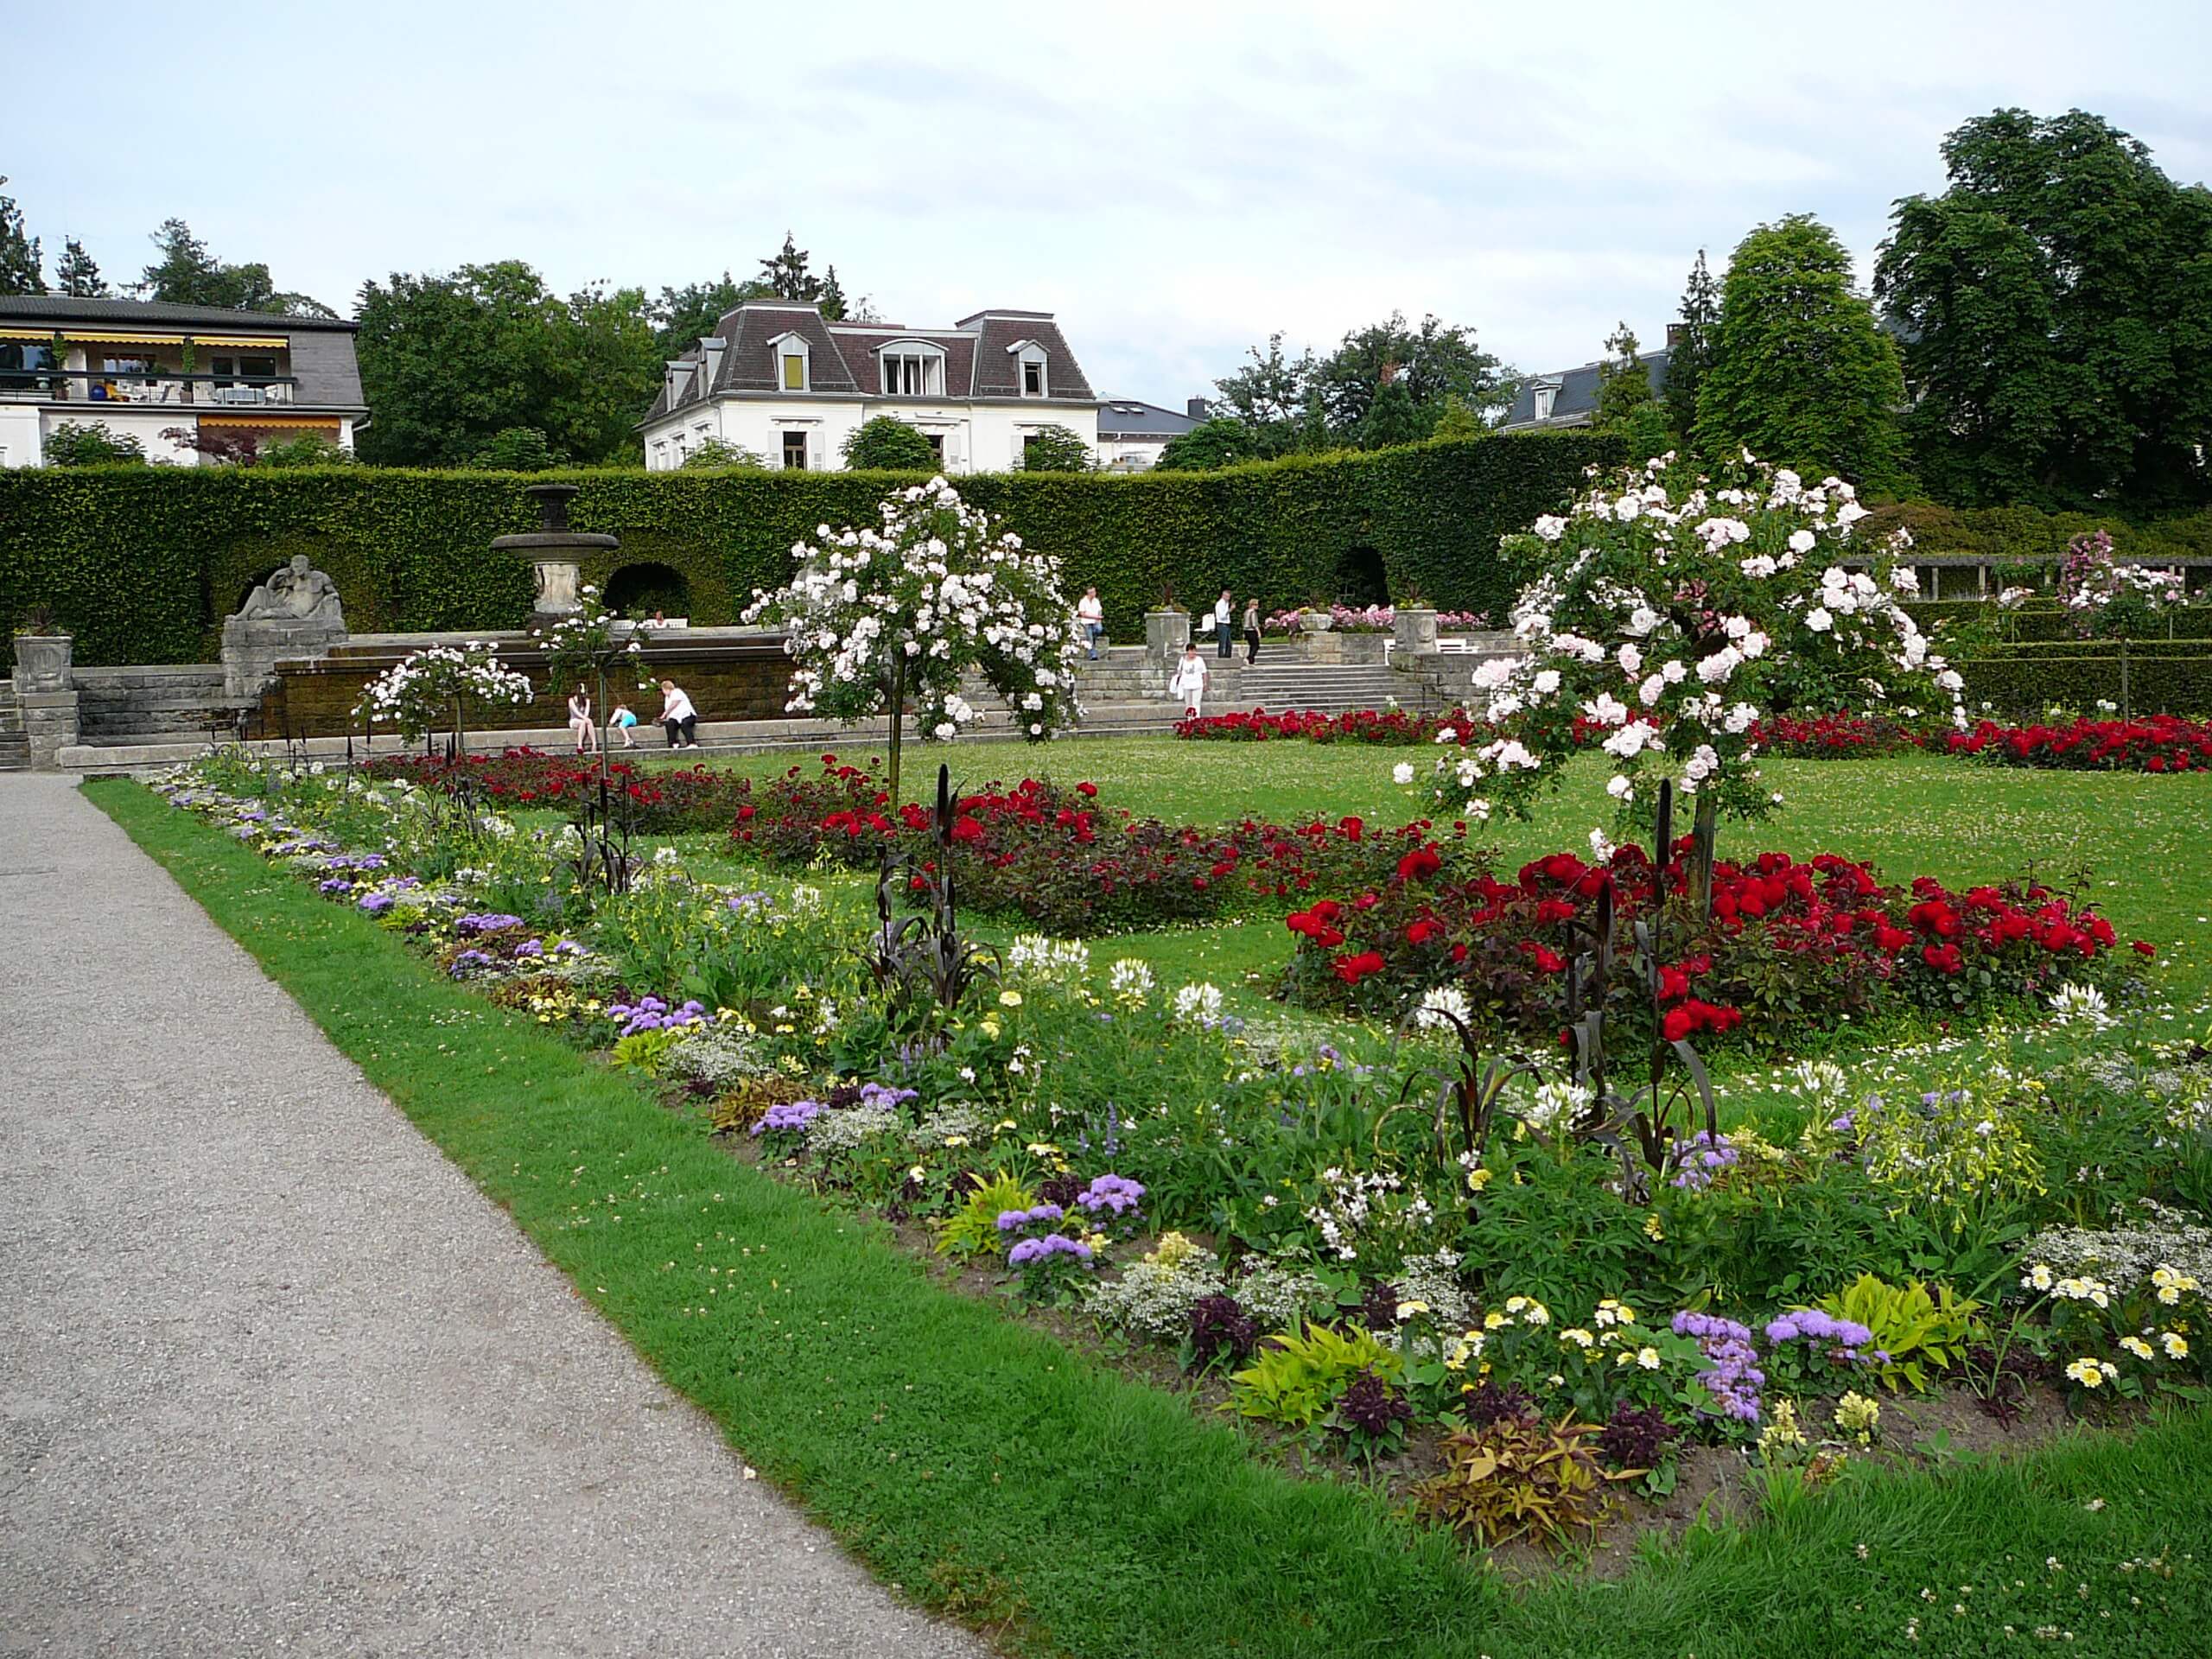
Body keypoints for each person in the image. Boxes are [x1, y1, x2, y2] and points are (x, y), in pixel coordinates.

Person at [1168, 642, 1210, 717]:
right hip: (1186, 685)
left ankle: (1196, 719)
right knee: (1188, 704)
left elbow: (1204, 672)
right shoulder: (1183, 660)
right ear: (1187, 651)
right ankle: (1189, 720)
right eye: (1191, 651)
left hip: (1197, 684)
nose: (1193, 653)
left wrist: (1205, 683)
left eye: (1194, 651)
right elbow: (1179, 671)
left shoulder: (1199, 660)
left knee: (1196, 703)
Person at [657, 678, 698, 749]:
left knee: (685, 725)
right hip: (676, 718)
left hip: (688, 715)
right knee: (670, 724)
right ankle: (673, 743)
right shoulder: (667, 698)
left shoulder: (677, 692)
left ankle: (691, 743)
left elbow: (675, 703)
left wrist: (665, 713)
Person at [1077, 587, 1105, 659]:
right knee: (1090, 639)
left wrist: (1098, 619)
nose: (1094, 593)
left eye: (1094, 591)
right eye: (1092, 592)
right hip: (1086, 622)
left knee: (1099, 629)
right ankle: (1093, 655)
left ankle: (1092, 640)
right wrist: (1094, 617)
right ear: (1089, 593)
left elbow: (1099, 611)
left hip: (1095, 622)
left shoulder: (1096, 601)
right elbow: (1082, 614)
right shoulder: (1083, 601)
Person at [567, 689, 595, 755]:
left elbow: (587, 713)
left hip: (584, 719)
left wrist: (585, 718)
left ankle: (594, 743)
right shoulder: (572, 700)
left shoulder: (587, 701)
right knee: (583, 722)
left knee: (589, 721)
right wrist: (584, 718)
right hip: (574, 720)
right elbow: (576, 712)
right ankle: (580, 745)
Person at [1213, 589, 1234, 658]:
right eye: (1227, 597)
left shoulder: (1226, 603)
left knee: (1229, 643)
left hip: (1226, 624)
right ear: (1223, 596)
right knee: (1223, 643)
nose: (1228, 599)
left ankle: (1227, 657)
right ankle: (1221, 657)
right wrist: (1230, 610)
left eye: (1229, 597)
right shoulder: (1220, 604)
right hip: (1222, 624)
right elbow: (1222, 616)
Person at [1243, 596, 1262, 665]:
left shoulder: (1246, 612)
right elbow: (1254, 623)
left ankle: (1251, 660)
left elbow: (1244, 622)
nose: (1257, 606)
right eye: (1256, 604)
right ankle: (1249, 657)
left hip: (1246, 630)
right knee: (1256, 645)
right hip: (1251, 630)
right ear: (1252, 605)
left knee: (1252, 645)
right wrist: (1258, 632)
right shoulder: (1253, 612)